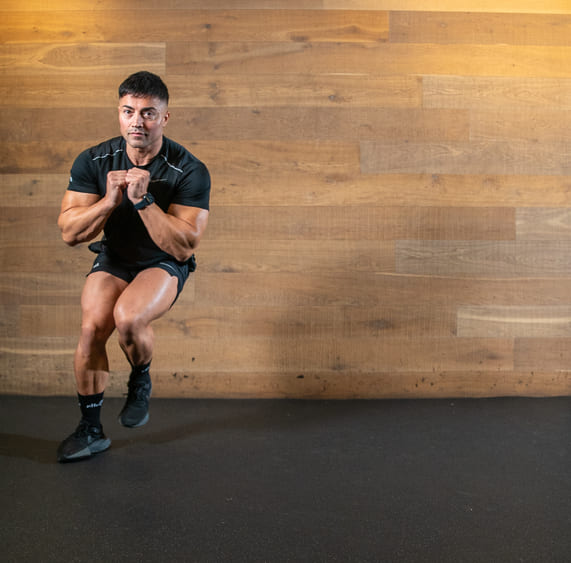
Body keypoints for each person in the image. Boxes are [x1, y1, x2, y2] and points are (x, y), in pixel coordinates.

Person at [56, 71, 210, 462]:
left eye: (148, 113)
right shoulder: (94, 159)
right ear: (119, 113)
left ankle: (140, 378)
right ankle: (90, 430)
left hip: (162, 262)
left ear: (164, 117)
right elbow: (70, 233)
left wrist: (143, 202)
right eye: (129, 112)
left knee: (127, 317)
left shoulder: (188, 169)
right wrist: (108, 201)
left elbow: (183, 244)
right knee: (92, 326)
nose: (137, 122)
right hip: (115, 256)